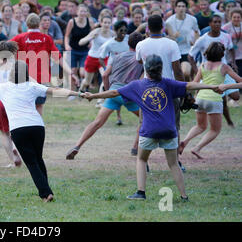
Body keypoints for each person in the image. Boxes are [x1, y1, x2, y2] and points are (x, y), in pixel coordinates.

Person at [83, 55, 221, 201]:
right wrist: (212, 86)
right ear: (161, 69)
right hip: (169, 130)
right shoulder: (169, 83)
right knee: (174, 164)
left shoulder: (137, 85)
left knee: (141, 160)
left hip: (149, 131)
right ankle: (184, 195)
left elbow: (114, 92)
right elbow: (189, 85)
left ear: (145, 69)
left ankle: (141, 192)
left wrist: (94, 95)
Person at [0, 60, 87, 202]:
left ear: (11, 73)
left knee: (32, 163)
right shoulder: (33, 86)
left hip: (18, 129)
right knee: (38, 159)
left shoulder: (3, 87)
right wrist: (79, 94)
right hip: (37, 127)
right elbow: (57, 91)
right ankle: (45, 189)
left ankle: (46, 194)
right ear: (27, 73)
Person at [66, 32, 145, 160]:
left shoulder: (117, 57)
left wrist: (108, 92)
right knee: (144, 119)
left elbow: (104, 75)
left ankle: (77, 146)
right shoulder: (141, 59)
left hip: (113, 93)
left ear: (128, 43)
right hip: (129, 94)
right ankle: (135, 147)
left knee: (97, 122)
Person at [136, 14, 186, 171]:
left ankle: (144, 162)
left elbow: (139, 61)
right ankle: (176, 161)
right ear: (163, 27)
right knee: (174, 125)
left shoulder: (141, 45)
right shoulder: (171, 44)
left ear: (148, 28)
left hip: (147, 91)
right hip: (168, 89)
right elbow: (177, 70)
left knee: (144, 125)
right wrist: (183, 90)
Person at [180, 42, 242, 159]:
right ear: (222, 54)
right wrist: (227, 87)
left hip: (200, 99)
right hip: (214, 100)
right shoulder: (224, 67)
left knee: (200, 126)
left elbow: (195, 83)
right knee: (215, 130)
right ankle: (197, 148)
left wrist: (192, 97)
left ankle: (184, 141)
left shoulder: (202, 65)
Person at [165, 0, 200, 80]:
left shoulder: (192, 19)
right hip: (175, 50)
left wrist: (195, 42)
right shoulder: (169, 21)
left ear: (186, 8)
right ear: (175, 8)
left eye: (183, 6)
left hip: (187, 50)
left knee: (186, 72)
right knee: (177, 75)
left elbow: (196, 32)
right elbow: (171, 39)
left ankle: (187, 90)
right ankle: (184, 90)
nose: (181, 8)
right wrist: (174, 36)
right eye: (179, 6)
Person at [78, 15, 114, 92]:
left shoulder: (113, 34)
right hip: (92, 58)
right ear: (101, 23)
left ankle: (100, 101)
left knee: (105, 77)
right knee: (87, 81)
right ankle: (81, 90)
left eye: (108, 23)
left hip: (104, 58)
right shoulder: (96, 32)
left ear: (111, 24)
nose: (107, 24)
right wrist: (90, 38)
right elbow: (80, 42)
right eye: (105, 22)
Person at [64, 4, 94, 92]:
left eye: (85, 11)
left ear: (87, 13)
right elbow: (66, 35)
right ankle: (72, 92)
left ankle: (83, 88)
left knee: (82, 72)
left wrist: (91, 42)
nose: (83, 13)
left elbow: (93, 34)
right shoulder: (72, 22)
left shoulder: (90, 21)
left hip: (85, 51)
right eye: (81, 11)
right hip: (73, 50)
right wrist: (66, 45)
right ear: (77, 12)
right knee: (73, 71)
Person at [222, 8, 242, 75]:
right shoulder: (225, 28)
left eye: (238, 17)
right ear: (231, 17)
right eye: (234, 17)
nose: (236, 19)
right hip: (230, 57)